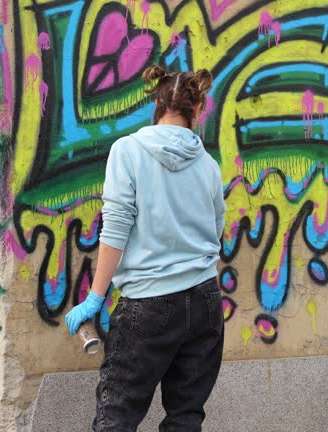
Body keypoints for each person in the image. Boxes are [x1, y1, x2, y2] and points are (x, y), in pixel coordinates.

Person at [65, 64, 226, 431]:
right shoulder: (208, 164)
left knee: (117, 416)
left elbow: (116, 228)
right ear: (198, 111)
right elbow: (216, 230)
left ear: (156, 103)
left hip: (149, 304)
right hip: (205, 300)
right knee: (185, 417)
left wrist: (95, 297)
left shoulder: (128, 151)